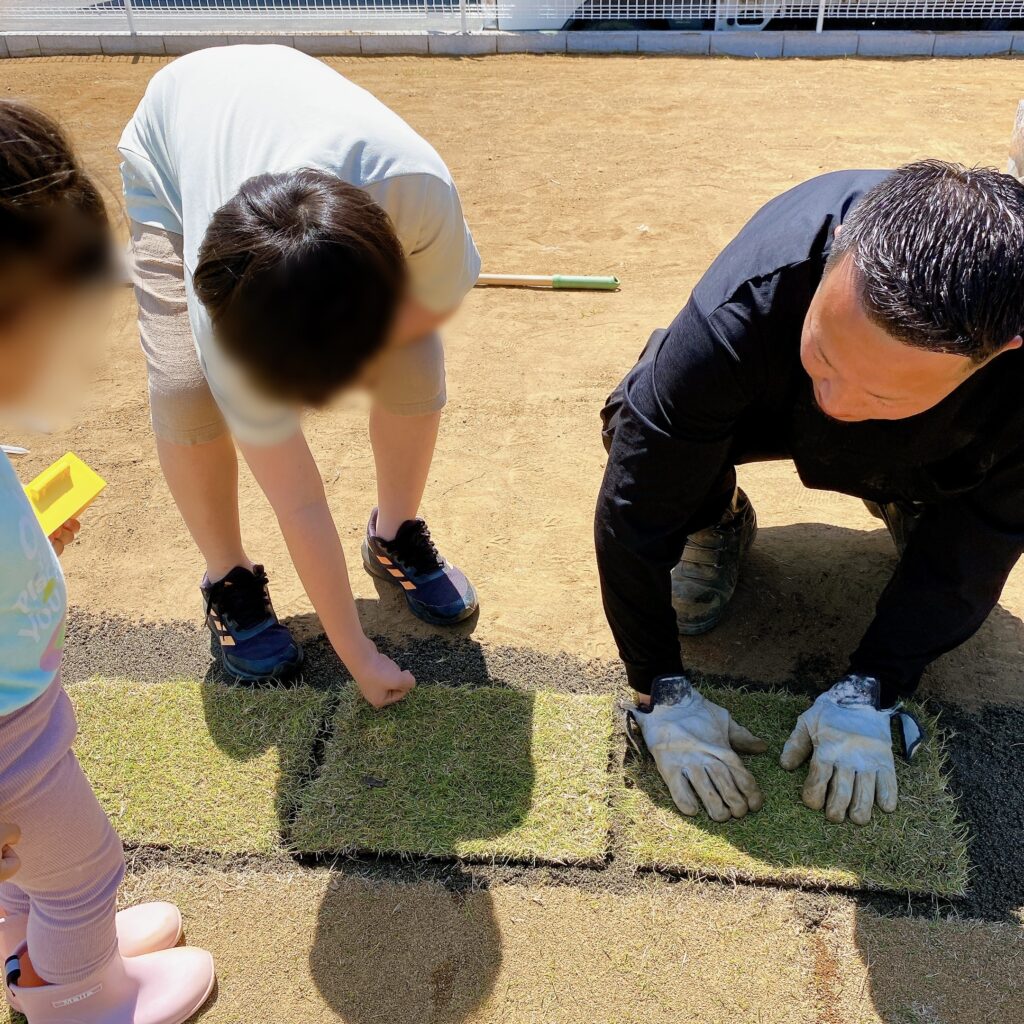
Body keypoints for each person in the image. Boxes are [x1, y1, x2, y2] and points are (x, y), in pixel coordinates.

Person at [596, 161, 1024, 826]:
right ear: (834, 263)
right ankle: (718, 519)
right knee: (634, 419)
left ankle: (918, 501)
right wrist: (659, 687)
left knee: (957, 527)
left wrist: (875, 684)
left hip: (949, 443)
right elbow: (637, 495)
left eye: (880, 391)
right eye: (827, 353)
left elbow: (987, 540)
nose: (839, 401)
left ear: (1001, 351)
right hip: (767, 399)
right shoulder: (753, 297)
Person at [118, 45, 481, 707]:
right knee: (185, 391)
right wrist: (358, 654)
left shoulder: (420, 194)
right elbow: (300, 499)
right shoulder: (227, 294)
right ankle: (227, 574)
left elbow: (424, 312)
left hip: (281, 119)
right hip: (174, 142)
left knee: (414, 360)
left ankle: (394, 530)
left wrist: (371, 345)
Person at [0, 99, 215, 1024]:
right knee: (85, 869)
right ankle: (74, 992)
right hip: (10, 744)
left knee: (32, 869)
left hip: (19, 716)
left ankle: (26, 948)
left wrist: (31, 543)